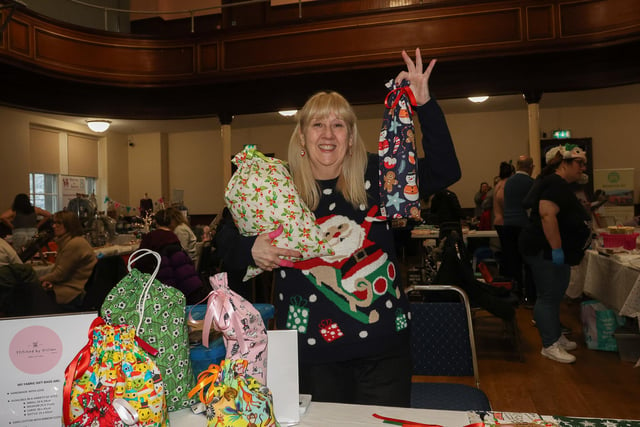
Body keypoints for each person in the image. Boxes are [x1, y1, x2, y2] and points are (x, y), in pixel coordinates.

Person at [217, 48, 461, 406]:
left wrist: (423, 103)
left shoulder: (381, 176)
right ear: (301, 136)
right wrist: (250, 248)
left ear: (350, 136)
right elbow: (223, 238)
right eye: (317, 124)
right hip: (309, 355)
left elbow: (445, 171)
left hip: (383, 350)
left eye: (338, 124)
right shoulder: (273, 184)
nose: (327, 133)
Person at [519, 144, 592, 364]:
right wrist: (557, 248)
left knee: (556, 294)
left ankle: (555, 336)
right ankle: (549, 344)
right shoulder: (554, 184)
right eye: (579, 163)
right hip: (544, 250)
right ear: (564, 163)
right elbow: (547, 216)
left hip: (551, 251)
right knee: (548, 296)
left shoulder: (560, 185)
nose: (583, 168)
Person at [136, 209, 209, 304]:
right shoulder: (173, 237)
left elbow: (141, 263)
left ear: (156, 222)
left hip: (166, 284)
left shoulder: (151, 238)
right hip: (187, 284)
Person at [39, 210, 97, 311]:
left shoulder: (75, 243)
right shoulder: (67, 242)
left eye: (58, 223)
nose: (54, 226)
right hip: (71, 287)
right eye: (54, 223)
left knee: (34, 296)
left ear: (69, 225)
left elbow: (60, 274)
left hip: (76, 292)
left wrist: (38, 280)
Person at [502, 155, 535, 303]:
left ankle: (516, 294)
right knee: (528, 262)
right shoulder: (530, 183)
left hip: (508, 224)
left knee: (513, 260)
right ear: (531, 167)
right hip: (523, 225)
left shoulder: (508, 182)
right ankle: (529, 295)